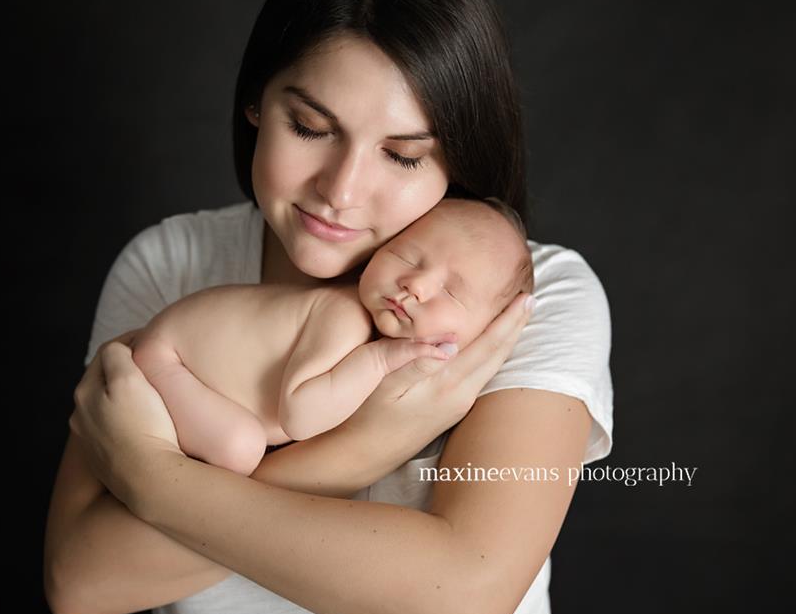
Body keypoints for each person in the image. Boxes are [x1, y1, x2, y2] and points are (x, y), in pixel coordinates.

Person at [45, 0, 613, 614]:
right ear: (256, 101)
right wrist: (357, 450)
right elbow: (81, 581)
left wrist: (152, 480)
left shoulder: (524, 300)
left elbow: (463, 599)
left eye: (402, 156)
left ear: (459, 156)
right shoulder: (171, 266)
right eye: (310, 126)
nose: (341, 192)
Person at [130, 197, 536, 475]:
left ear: (488, 334)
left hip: (178, 347)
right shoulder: (345, 316)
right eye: (407, 256)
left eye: (451, 292)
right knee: (241, 449)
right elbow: (301, 416)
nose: (415, 284)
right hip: (168, 356)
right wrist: (380, 360)